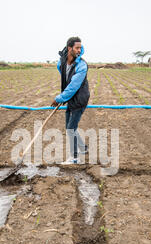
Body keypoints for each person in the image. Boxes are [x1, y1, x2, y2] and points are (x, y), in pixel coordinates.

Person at [52, 36, 90, 164]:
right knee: (69, 127)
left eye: (80, 47)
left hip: (80, 99)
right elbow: (65, 77)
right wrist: (65, 97)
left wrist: (59, 98)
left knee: (70, 129)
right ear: (70, 48)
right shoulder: (61, 63)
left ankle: (74, 158)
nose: (79, 50)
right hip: (71, 98)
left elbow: (73, 86)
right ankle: (83, 148)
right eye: (77, 47)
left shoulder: (82, 65)